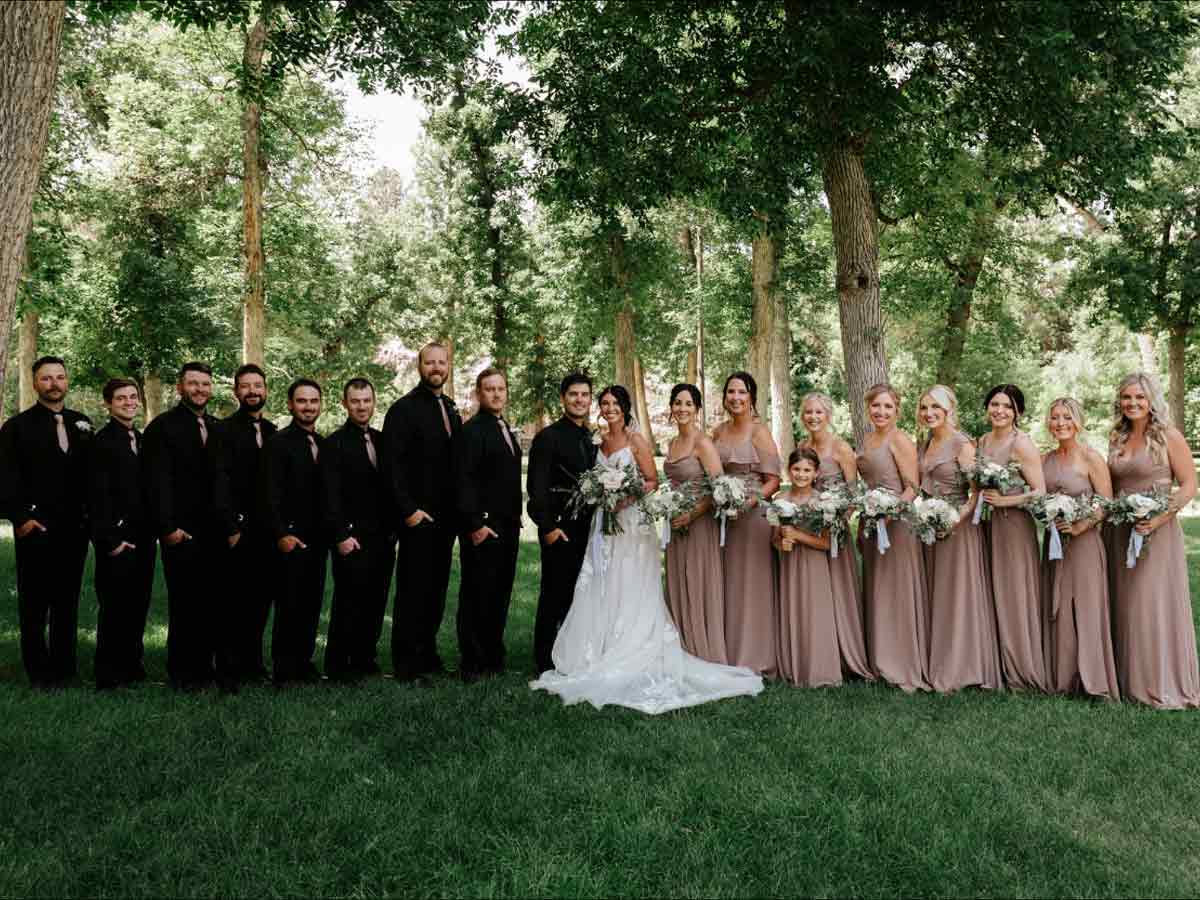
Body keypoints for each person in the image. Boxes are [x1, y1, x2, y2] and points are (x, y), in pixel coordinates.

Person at [531, 385, 763, 713]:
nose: (610, 408)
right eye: (605, 403)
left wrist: (623, 497)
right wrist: (602, 495)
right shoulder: (596, 440)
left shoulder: (636, 440)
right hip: (603, 522)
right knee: (603, 581)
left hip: (632, 521)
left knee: (631, 581)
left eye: (616, 404)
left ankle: (634, 644)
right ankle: (600, 647)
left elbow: (651, 480)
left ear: (626, 409)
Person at [1107, 373, 1199, 708]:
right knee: (1125, 601)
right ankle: (1127, 680)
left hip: (1156, 532)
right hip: (1118, 531)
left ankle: (1158, 682)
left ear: (1151, 401)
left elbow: (1189, 484)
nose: (1132, 403)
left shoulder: (1168, 436)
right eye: (1127, 397)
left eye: (1139, 398)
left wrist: (1158, 518)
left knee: (1151, 603)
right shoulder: (1117, 435)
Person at [0, 355, 91, 688]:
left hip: (74, 531)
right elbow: (6, 479)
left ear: (67, 381)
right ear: (35, 382)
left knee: (67, 602)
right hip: (36, 530)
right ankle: (39, 673)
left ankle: (65, 670)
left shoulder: (83, 424)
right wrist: (21, 520)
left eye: (60, 377)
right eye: (46, 378)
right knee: (35, 604)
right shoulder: (16, 427)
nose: (54, 384)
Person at [142, 361, 228, 691]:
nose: (200, 389)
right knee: (185, 604)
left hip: (216, 533)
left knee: (213, 604)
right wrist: (168, 529)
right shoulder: (162, 428)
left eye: (205, 384)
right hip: (181, 532)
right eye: (193, 383)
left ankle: (207, 669)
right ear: (180, 388)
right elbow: (155, 483)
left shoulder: (219, 428)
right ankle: (182, 674)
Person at [384, 342, 462, 680]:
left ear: (448, 367)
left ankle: (428, 655)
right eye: (429, 362)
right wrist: (409, 511)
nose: (436, 368)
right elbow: (391, 467)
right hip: (417, 518)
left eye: (441, 363)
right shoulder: (403, 410)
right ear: (420, 367)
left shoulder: (450, 406)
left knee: (435, 591)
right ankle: (407, 663)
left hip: (446, 520)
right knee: (413, 592)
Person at [916, 385, 1000, 693]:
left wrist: (954, 520)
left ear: (950, 409)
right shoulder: (925, 443)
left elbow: (976, 492)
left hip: (958, 528)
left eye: (935, 407)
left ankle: (964, 666)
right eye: (924, 407)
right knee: (939, 594)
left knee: (958, 595)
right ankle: (939, 659)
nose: (929, 413)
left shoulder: (962, 444)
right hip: (932, 526)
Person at [1041, 397, 1118, 701]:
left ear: (1078, 422)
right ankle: (1064, 678)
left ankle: (1094, 681)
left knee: (1086, 608)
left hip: (1084, 543)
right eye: (1055, 418)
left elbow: (1106, 502)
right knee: (1057, 607)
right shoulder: (1044, 459)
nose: (1060, 423)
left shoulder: (1090, 458)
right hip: (1054, 543)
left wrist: (1080, 525)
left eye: (1066, 418)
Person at [775, 447, 869, 687]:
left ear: (816, 473)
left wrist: (797, 535)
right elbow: (775, 538)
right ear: (788, 471)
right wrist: (780, 542)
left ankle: (822, 669)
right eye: (796, 469)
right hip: (790, 565)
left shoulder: (823, 502)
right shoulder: (780, 501)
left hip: (815, 565)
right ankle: (797, 665)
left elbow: (828, 543)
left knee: (816, 612)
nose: (801, 474)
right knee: (795, 610)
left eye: (807, 470)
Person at [856, 383, 930, 692]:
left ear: (896, 410)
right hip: (873, 523)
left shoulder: (899, 440)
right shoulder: (868, 439)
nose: (881, 412)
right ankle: (880, 660)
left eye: (887, 407)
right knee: (879, 589)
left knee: (897, 591)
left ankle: (903, 664)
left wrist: (891, 511)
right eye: (876, 406)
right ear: (868, 408)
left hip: (897, 526)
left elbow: (913, 486)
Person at [322, 378, 395, 681]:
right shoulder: (334, 443)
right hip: (351, 538)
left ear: (373, 402)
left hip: (382, 540)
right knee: (348, 603)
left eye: (366, 400)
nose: (362, 406)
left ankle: (365, 658)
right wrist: (340, 535)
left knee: (375, 603)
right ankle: (339, 665)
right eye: (355, 401)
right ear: (345, 404)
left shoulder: (382, 440)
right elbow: (330, 495)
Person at [977, 383, 1048, 692]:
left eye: (1007, 406)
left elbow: (1040, 491)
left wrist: (1005, 502)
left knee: (1014, 593)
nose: (1000, 411)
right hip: (988, 525)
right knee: (993, 591)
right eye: (994, 404)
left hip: (1014, 527)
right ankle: (997, 665)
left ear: (1017, 411)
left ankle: (1022, 669)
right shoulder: (982, 441)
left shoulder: (1022, 444)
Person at [798, 391, 872, 682]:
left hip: (834, 531)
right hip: (808, 527)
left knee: (838, 592)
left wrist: (837, 520)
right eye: (808, 412)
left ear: (828, 415)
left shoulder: (841, 448)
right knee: (815, 593)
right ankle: (818, 651)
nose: (813, 417)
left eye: (818, 412)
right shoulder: (803, 445)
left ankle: (845, 655)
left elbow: (854, 494)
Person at [526, 372, 597, 675]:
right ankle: (544, 659)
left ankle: (571, 651)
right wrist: (548, 528)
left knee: (579, 594)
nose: (579, 400)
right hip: (560, 527)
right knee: (554, 593)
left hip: (588, 527)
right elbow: (536, 488)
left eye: (584, 395)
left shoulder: (591, 438)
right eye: (573, 395)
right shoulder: (548, 437)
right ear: (563, 399)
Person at [454, 368, 522, 681]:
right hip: (483, 529)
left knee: (499, 594)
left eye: (500, 388)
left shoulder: (503, 426)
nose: (496, 394)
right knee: (476, 595)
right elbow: (462, 481)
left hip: (507, 527)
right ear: (479, 394)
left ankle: (493, 655)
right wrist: (475, 524)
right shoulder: (472, 430)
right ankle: (472, 661)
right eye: (489, 389)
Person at [713, 371, 782, 677]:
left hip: (753, 517)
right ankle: (727, 648)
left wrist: (748, 502)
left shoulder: (760, 433)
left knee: (752, 585)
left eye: (742, 392)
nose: (736, 398)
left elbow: (774, 480)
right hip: (724, 517)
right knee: (730, 583)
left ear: (752, 397)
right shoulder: (717, 432)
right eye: (731, 392)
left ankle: (756, 654)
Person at [88, 378, 156, 690]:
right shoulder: (102, 442)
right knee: (114, 608)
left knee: (137, 605)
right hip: (117, 540)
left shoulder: (140, 439)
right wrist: (110, 541)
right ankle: (107, 675)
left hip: (142, 539)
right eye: (121, 398)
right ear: (109, 404)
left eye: (132, 397)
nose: (129, 402)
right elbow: (96, 496)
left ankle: (132, 666)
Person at [260, 379, 328, 685]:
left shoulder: (323, 444)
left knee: (311, 604)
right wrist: (281, 534)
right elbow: (269, 494)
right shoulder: (278, 442)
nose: (308, 406)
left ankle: (303, 662)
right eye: (302, 401)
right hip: (289, 539)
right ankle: (285, 669)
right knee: (289, 606)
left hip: (317, 540)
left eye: (313, 401)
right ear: (290, 405)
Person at [219, 363, 277, 682]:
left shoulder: (272, 432)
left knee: (260, 602)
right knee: (234, 604)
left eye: (258, 385)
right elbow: (219, 483)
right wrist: (231, 529)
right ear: (236, 392)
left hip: (267, 533)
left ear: (266, 390)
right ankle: (229, 670)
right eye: (246, 386)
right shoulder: (224, 431)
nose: (253, 391)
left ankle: (254, 665)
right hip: (238, 532)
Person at [663, 383, 727, 663]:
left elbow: (720, 491)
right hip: (676, 525)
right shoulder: (672, 443)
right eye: (678, 403)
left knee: (698, 582)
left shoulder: (703, 444)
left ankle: (703, 649)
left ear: (697, 409)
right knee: (678, 581)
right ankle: (680, 646)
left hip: (699, 525)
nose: (682, 408)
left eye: (689, 404)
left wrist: (692, 514)